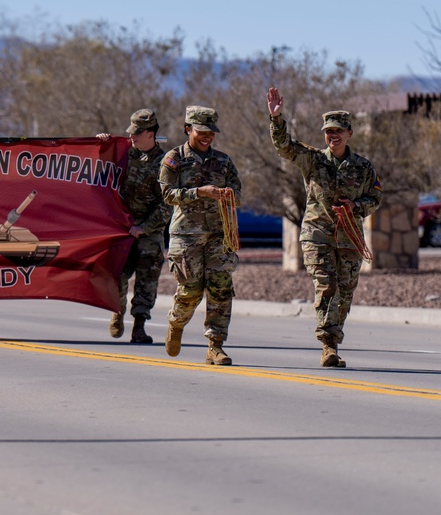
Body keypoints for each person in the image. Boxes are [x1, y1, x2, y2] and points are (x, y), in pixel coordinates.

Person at [266, 87, 382, 367]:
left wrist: (356, 207)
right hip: (317, 235)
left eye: (338, 131)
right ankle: (328, 345)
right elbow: (285, 147)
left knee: (345, 292)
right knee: (326, 286)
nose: (333, 136)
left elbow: (375, 198)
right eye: (328, 132)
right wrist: (276, 118)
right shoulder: (314, 160)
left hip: (349, 239)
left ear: (349, 133)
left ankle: (333, 339)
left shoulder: (363, 168)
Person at [159, 106, 241, 365]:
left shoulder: (224, 161)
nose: (207, 137)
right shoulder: (174, 159)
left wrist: (228, 195)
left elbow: (238, 193)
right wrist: (199, 192)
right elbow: (167, 194)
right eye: (201, 131)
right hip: (187, 234)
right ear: (188, 130)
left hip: (219, 234)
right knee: (191, 290)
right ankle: (176, 322)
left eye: (211, 132)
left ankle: (215, 346)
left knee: (220, 288)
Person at [99, 109, 172, 343]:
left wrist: (145, 227)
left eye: (138, 133)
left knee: (146, 281)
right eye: (131, 132)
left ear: (151, 134)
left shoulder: (165, 164)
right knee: (117, 275)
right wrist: (99, 144)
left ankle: (139, 327)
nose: (133, 137)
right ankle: (117, 312)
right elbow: (97, 169)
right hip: (123, 228)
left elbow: (168, 202)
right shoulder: (124, 154)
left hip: (149, 231)